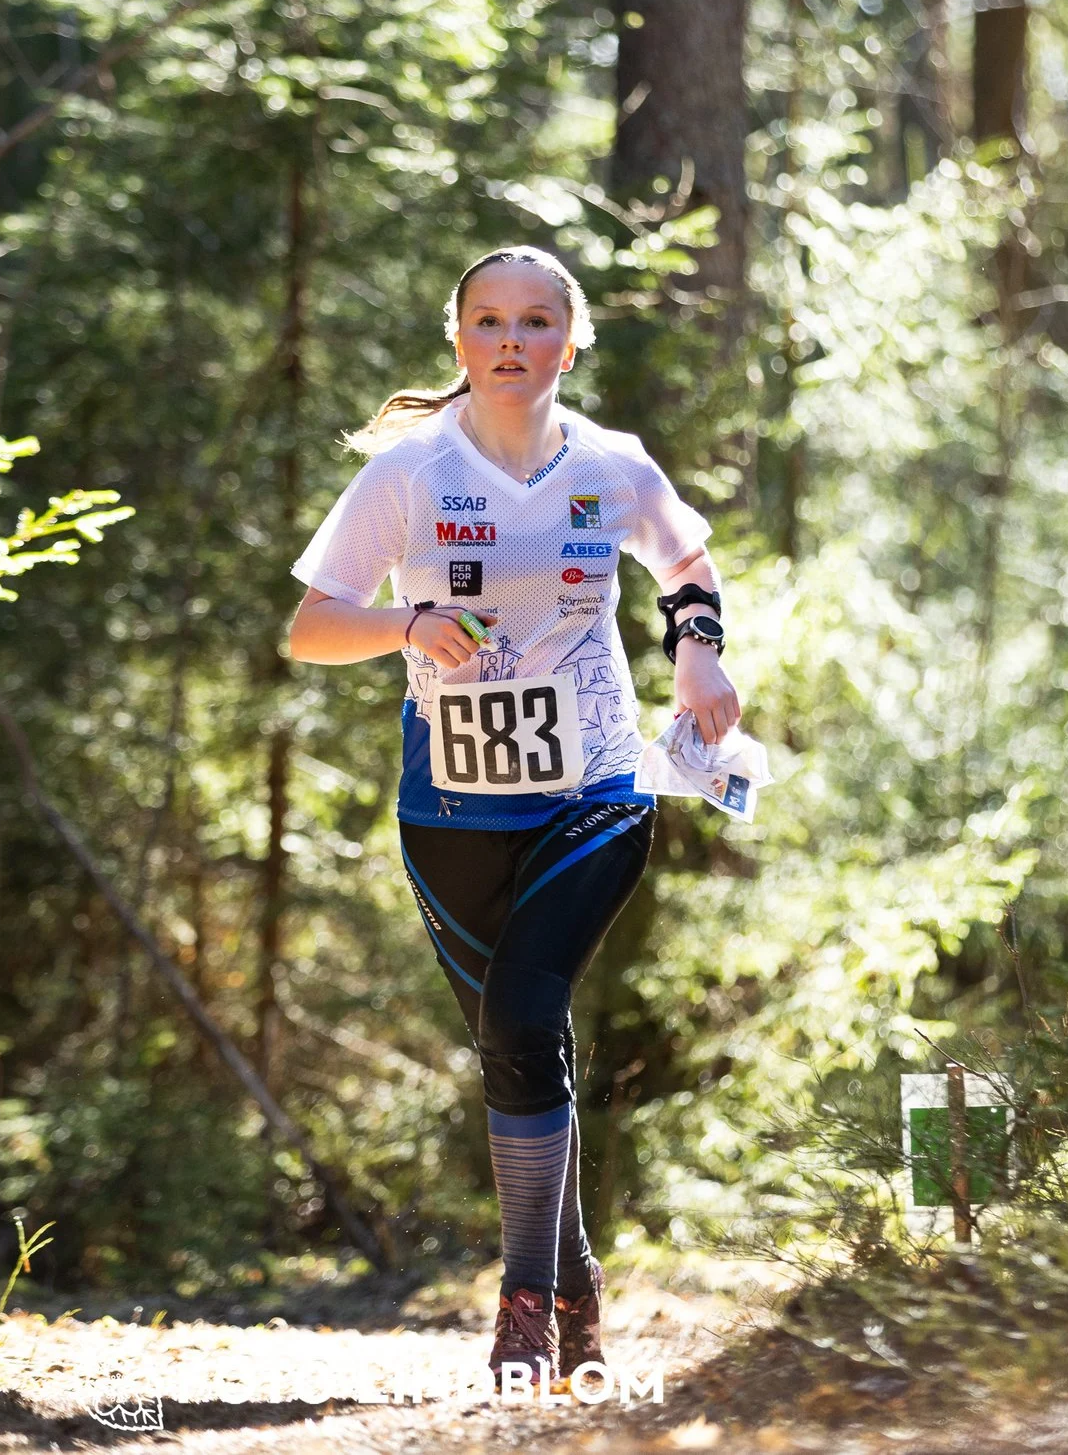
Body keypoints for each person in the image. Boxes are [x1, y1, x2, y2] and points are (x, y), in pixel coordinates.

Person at [285, 245, 739, 1390]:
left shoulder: (613, 463)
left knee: (530, 1010)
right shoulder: (411, 474)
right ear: (458, 341)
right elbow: (310, 625)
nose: (510, 340)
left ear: (568, 343)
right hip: (450, 805)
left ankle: (524, 1313)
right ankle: (577, 1287)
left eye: (536, 321)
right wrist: (405, 623)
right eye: (487, 320)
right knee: (514, 1042)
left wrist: (697, 655)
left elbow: (688, 560)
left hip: (594, 783)